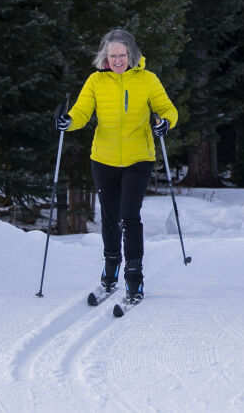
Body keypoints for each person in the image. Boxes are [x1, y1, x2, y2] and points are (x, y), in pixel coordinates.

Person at [58, 29, 179, 304]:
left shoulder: (147, 80)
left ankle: (134, 278)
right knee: (110, 217)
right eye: (113, 55)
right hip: (104, 158)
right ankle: (110, 272)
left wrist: (164, 123)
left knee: (129, 215)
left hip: (139, 158)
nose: (118, 60)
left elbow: (168, 109)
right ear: (105, 57)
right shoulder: (95, 82)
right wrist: (68, 121)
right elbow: (81, 111)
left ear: (132, 54)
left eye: (122, 55)